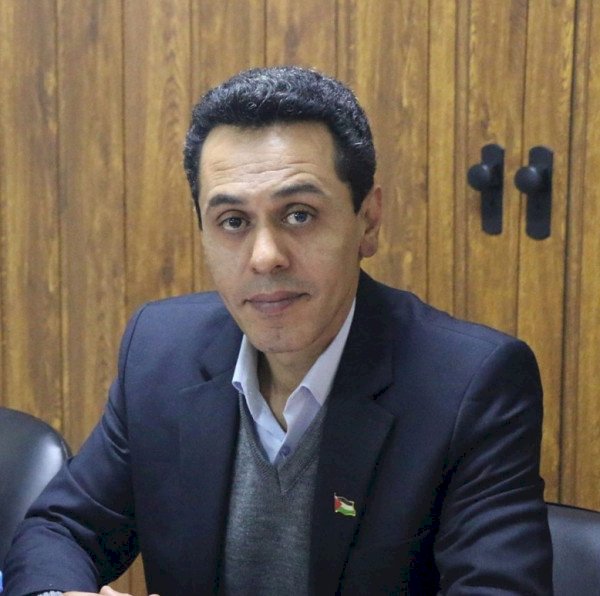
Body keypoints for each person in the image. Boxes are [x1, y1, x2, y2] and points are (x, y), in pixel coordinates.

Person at [3, 66, 552, 595]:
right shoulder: (160, 352)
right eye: (233, 222)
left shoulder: (470, 385)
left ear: (368, 221)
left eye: (299, 214)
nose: (265, 256)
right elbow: (61, 530)